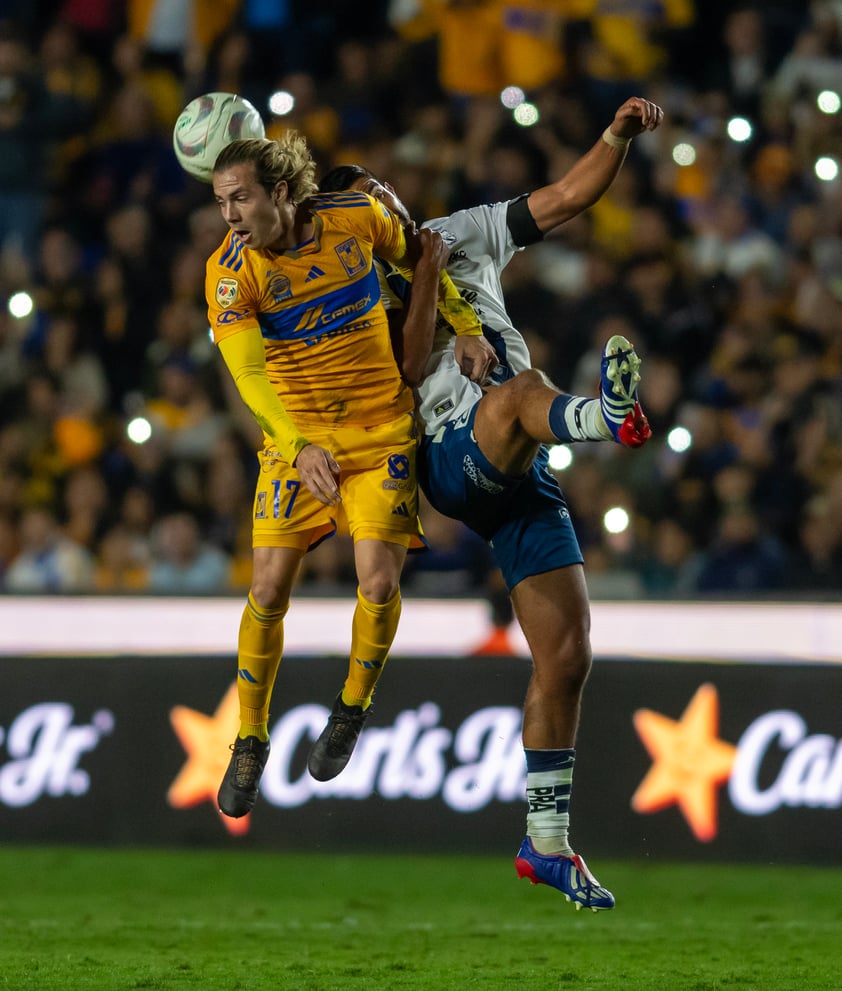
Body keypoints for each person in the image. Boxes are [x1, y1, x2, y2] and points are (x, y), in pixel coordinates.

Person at [319, 96, 663, 911]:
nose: (383, 208)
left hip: (520, 465)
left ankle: (545, 843)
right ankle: (603, 418)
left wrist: (613, 135)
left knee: (569, 653)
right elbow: (405, 374)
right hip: (446, 452)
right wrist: (432, 290)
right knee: (517, 396)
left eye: (381, 195)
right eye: (361, 206)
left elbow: (569, 197)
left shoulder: (459, 229)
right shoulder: (354, 287)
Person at [204, 130, 496, 819]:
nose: (230, 216)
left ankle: (350, 710)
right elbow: (249, 376)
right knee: (268, 587)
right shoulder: (229, 272)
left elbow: (424, 257)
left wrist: (466, 323)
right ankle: (250, 738)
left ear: (280, 192)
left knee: (379, 579)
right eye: (221, 203)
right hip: (296, 442)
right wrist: (299, 444)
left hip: (381, 431)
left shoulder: (355, 219)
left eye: (240, 198)